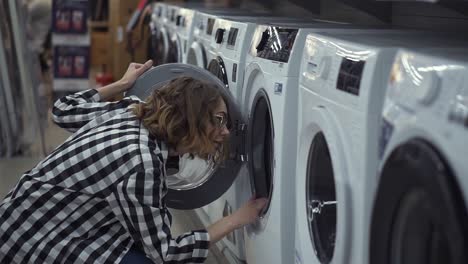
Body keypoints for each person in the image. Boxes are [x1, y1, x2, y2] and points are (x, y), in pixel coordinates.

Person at [0, 60, 268, 263]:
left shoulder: (129, 112)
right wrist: (236, 219)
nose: (226, 132)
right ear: (190, 118)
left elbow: (63, 110)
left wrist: (122, 84)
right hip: (30, 245)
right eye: (219, 120)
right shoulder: (143, 164)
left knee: (136, 239)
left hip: (15, 219)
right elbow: (166, 253)